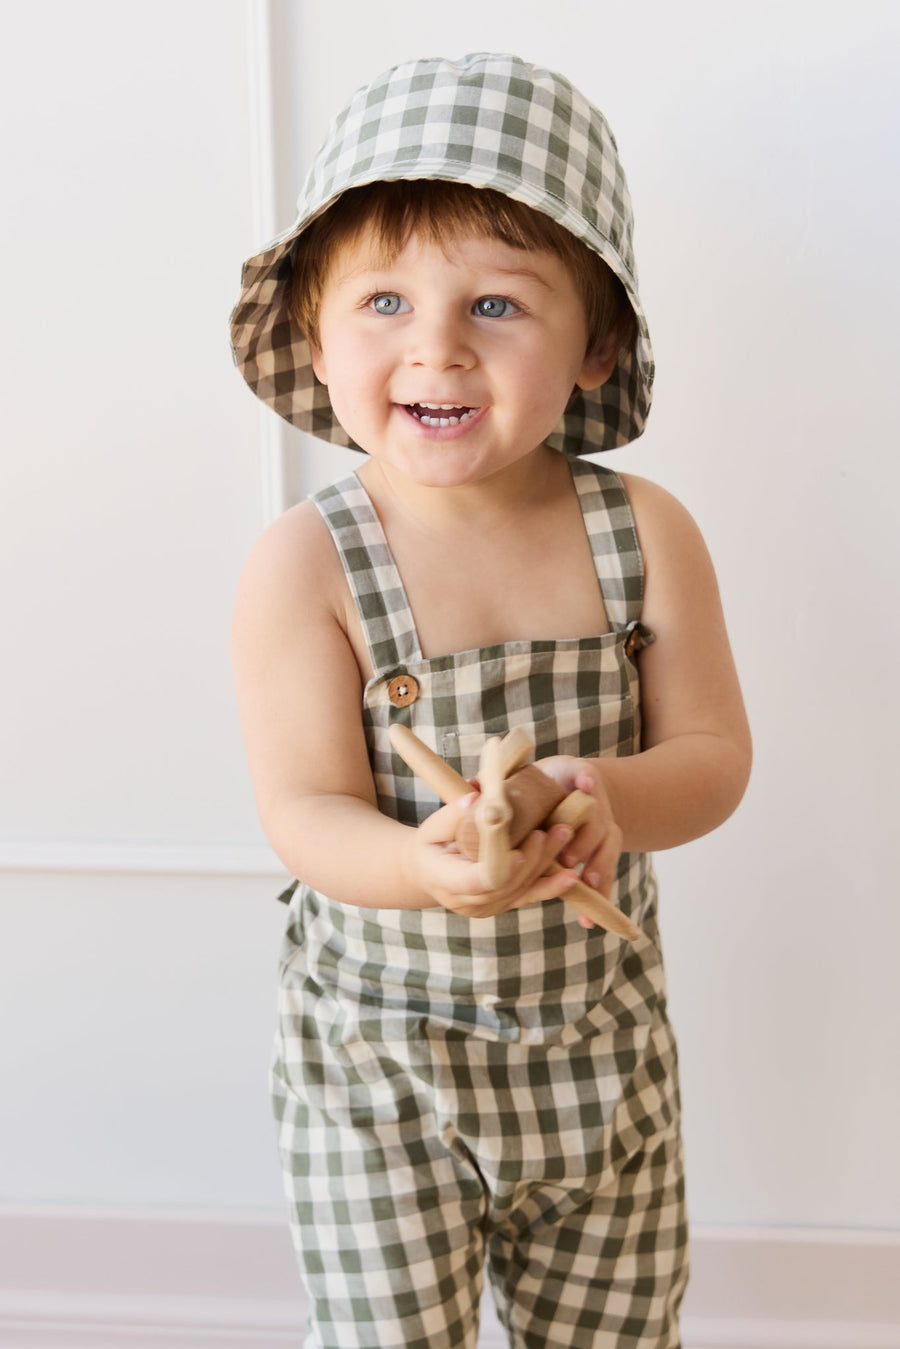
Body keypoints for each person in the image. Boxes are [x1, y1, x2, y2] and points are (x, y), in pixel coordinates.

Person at [230, 52, 751, 1349]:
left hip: (597, 1052)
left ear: (599, 345)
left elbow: (712, 755)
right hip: (381, 1066)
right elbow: (304, 809)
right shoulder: (308, 561)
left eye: (498, 303)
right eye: (385, 300)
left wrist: (605, 792)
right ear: (314, 336)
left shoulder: (644, 532)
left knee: (616, 1329)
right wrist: (423, 865)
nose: (437, 347)